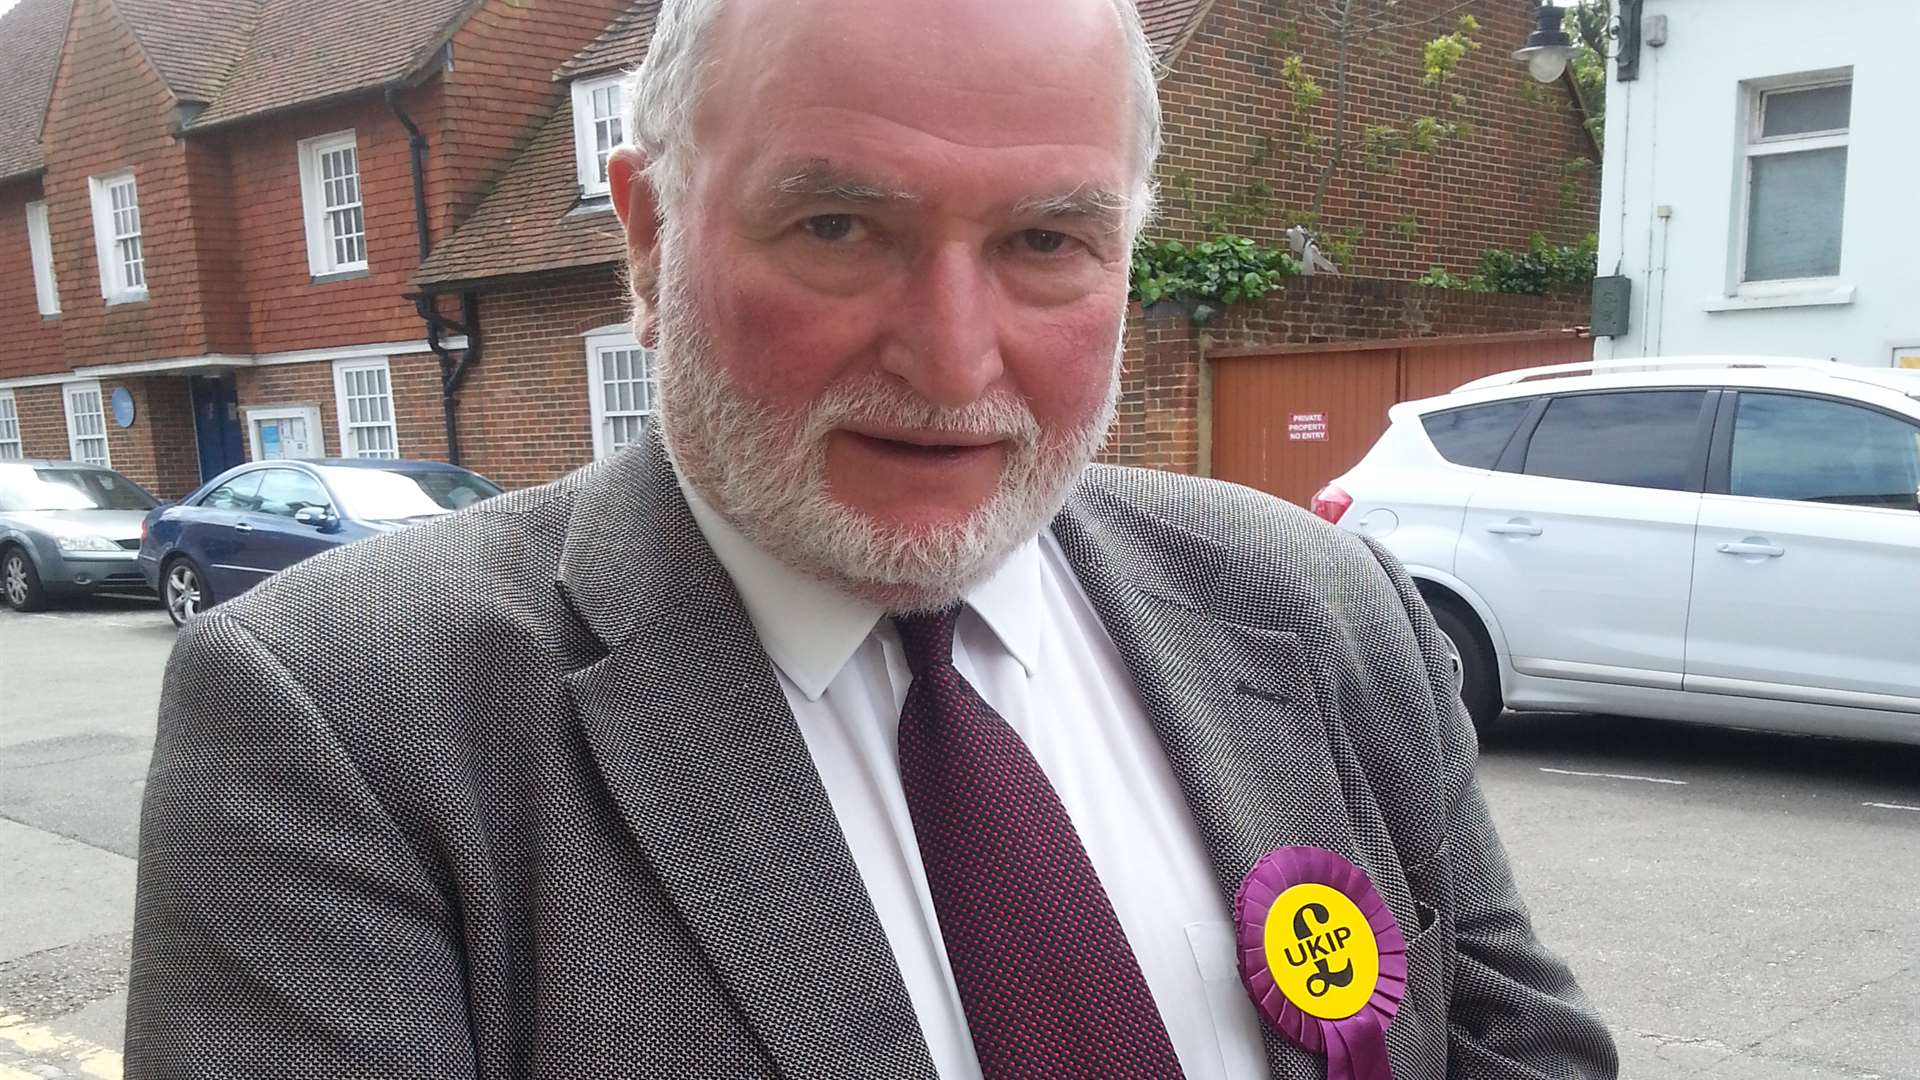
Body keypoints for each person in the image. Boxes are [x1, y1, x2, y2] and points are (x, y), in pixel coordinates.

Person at [124, 0, 1619, 1076]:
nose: (954, 360)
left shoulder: (1319, 599)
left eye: (1046, 241)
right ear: (647, 242)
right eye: (840, 228)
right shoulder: (344, 722)